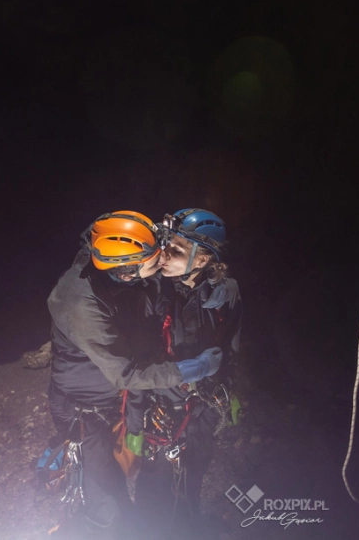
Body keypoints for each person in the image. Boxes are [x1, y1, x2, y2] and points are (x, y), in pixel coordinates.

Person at [47, 210, 224, 538]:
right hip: (84, 406)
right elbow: (126, 374)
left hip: (109, 399)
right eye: (154, 261)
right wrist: (192, 368)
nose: (161, 263)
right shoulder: (79, 304)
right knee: (108, 506)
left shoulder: (108, 257)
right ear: (126, 273)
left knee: (127, 476)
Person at [125, 208, 243, 538]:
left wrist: (228, 389)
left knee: (194, 474)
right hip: (162, 407)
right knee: (154, 486)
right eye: (167, 245)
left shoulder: (227, 292)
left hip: (203, 409)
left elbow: (232, 344)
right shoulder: (154, 293)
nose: (164, 255)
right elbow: (137, 364)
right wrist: (135, 423)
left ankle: (188, 528)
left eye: (176, 250)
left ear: (204, 259)